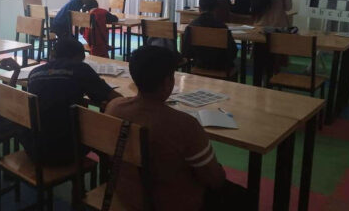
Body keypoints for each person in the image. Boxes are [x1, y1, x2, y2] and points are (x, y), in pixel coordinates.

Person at [105, 46, 250, 211]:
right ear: (168, 82)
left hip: (126, 194)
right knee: (244, 197)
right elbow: (214, 179)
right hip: (170, 203)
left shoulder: (113, 108)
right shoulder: (185, 125)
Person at [26, 38, 121, 165]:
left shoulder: (34, 73)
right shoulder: (79, 69)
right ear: (78, 57)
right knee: (106, 131)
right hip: (68, 150)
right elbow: (112, 98)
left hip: (34, 148)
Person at [182, 0, 237, 70]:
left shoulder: (191, 26)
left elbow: (185, 51)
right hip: (221, 66)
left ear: (199, 8)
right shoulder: (222, 27)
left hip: (199, 64)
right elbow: (233, 52)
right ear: (215, 9)